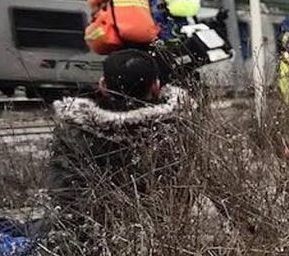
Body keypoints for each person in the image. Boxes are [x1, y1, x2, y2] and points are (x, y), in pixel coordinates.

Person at [48, 48, 188, 219]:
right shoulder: (179, 127)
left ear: (103, 86)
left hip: (88, 230)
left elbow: (64, 193)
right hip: (162, 224)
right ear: (156, 86)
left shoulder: (73, 129)